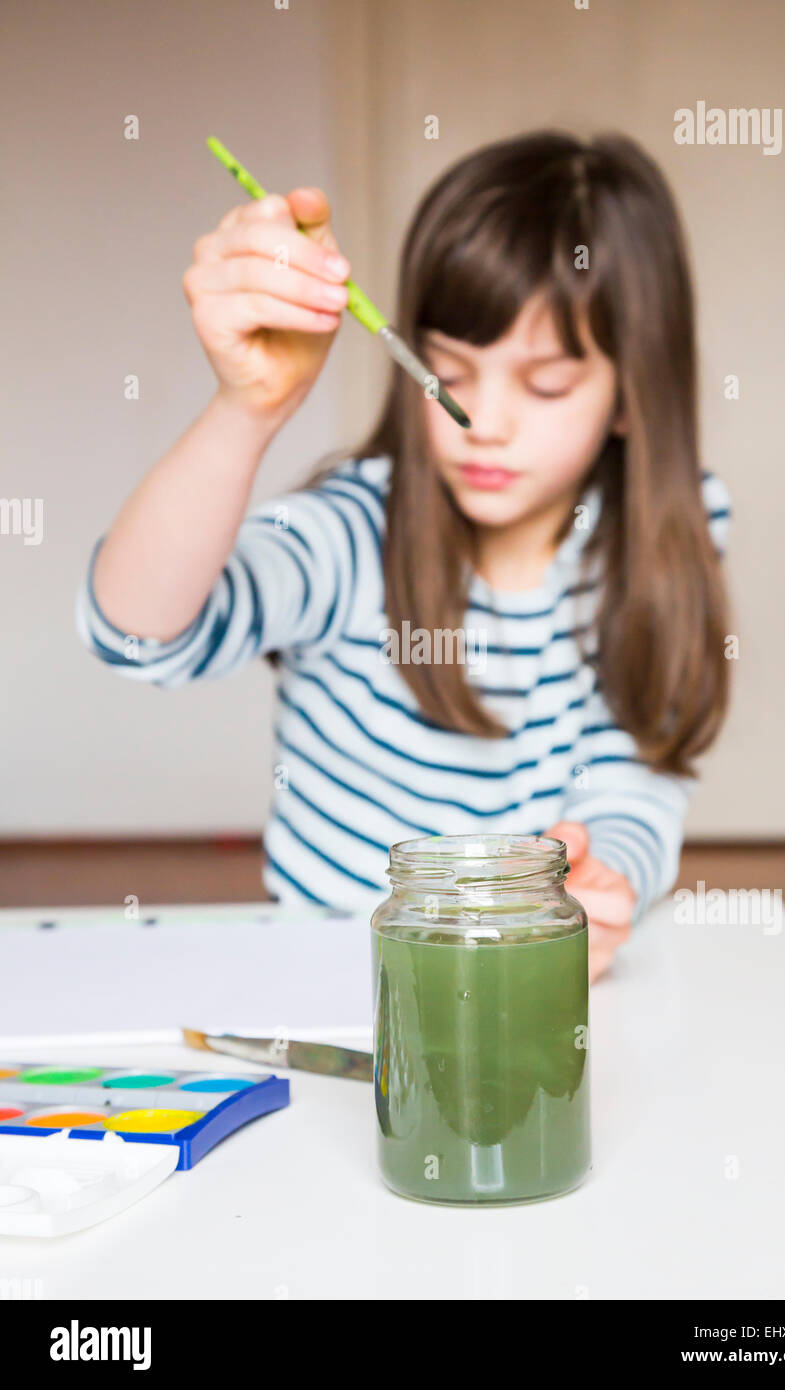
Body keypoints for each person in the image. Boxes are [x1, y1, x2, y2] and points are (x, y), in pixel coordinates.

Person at [77, 130, 732, 982]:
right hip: (330, 984)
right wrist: (248, 410)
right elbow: (136, 634)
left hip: (523, 983)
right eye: (448, 374)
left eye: (546, 385)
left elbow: (634, 767)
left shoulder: (656, 533)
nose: (484, 422)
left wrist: (607, 882)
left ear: (630, 396)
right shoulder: (353, 531)